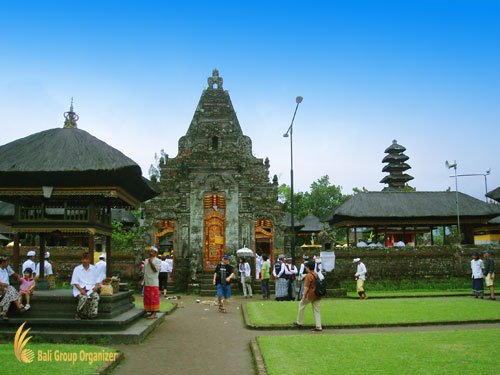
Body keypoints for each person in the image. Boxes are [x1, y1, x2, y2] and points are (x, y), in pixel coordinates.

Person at [71, 252, 101, 320]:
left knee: (96, 296)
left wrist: (96, 286)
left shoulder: (94, 268)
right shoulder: (77, 269)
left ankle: (92, 314)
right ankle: (78, 313)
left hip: (91, 289)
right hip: (79, 289)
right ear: (81, 260)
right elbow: (75, 282)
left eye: (86, 259)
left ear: (89, 260)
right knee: (83, 297)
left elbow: (97, 280)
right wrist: (81, 290)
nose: (85, 261)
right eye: (83, 259)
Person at [294, 261, 322, 332]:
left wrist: (303, 296)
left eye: (306, 267)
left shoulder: (308, 275)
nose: (305, 268)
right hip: (317, 294)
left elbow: (306, 287)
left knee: (301, 304)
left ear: (308, 268)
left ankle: (299, 322)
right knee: (317, 310)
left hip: (310, 294)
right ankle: (318, 326)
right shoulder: (316, 274)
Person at [143, 246, 162, 319]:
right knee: (148, 297)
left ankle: (154, 313)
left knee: (153, 298)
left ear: (156, 253)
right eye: (150, 251)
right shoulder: (146, 260)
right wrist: (142, 280)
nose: (150, 253)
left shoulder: (158, 261)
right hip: (147, 281)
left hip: (153, 282)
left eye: (152, 251)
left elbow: (155, 270)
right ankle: (151, 312)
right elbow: (145, 271)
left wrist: (151, 262)